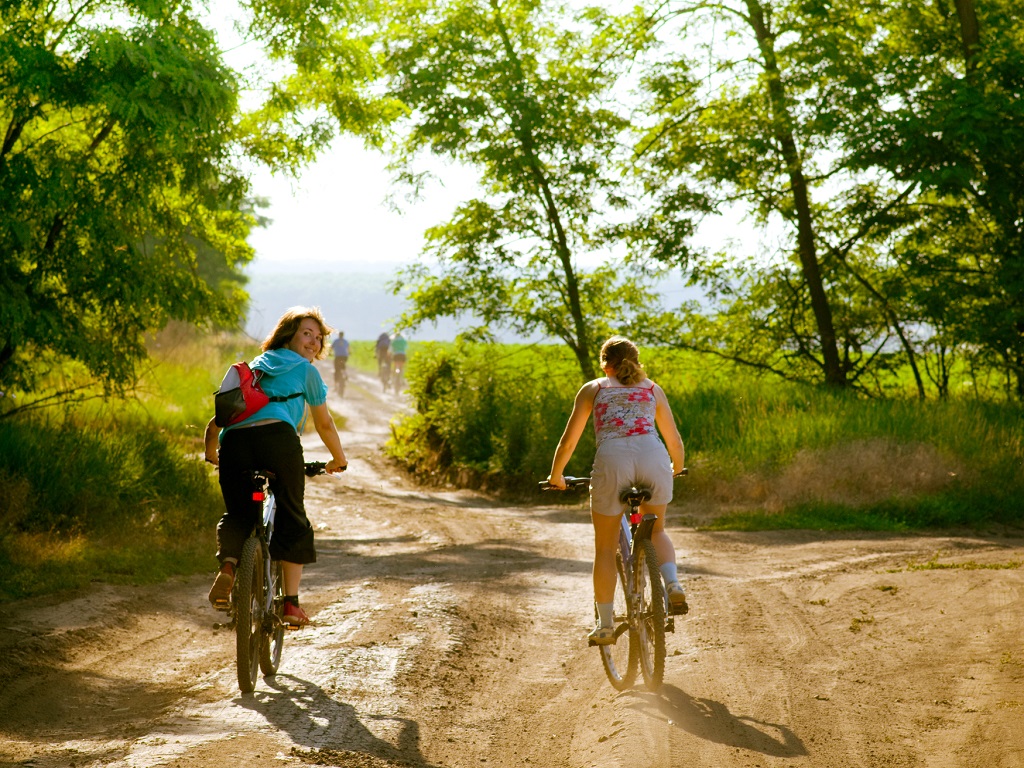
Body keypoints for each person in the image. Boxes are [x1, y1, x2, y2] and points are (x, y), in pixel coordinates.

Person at [204, 306, 348, 627]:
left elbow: (218, 421)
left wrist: (212, 452)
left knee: (238, 514)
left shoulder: (254, 367)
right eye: (306, 333)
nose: (313, 341)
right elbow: (324, 425)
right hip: (278, 441)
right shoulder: (306, 371)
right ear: (288, 335)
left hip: (236, 443)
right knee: (292, 515)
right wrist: (338, 459)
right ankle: (291, 605)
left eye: (318, 337)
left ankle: (228, 568)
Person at [547, 336, 687, 645]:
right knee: (657, 530)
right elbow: (674, 440)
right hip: (654, 457)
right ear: (636, 361)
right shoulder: (652, 389)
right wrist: (675, 467)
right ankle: (673, 584)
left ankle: (607, 624)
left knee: (605, 548)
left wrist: (556, 475)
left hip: (613, 461)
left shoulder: (594, 389)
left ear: (604, 363)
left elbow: (568, 442)